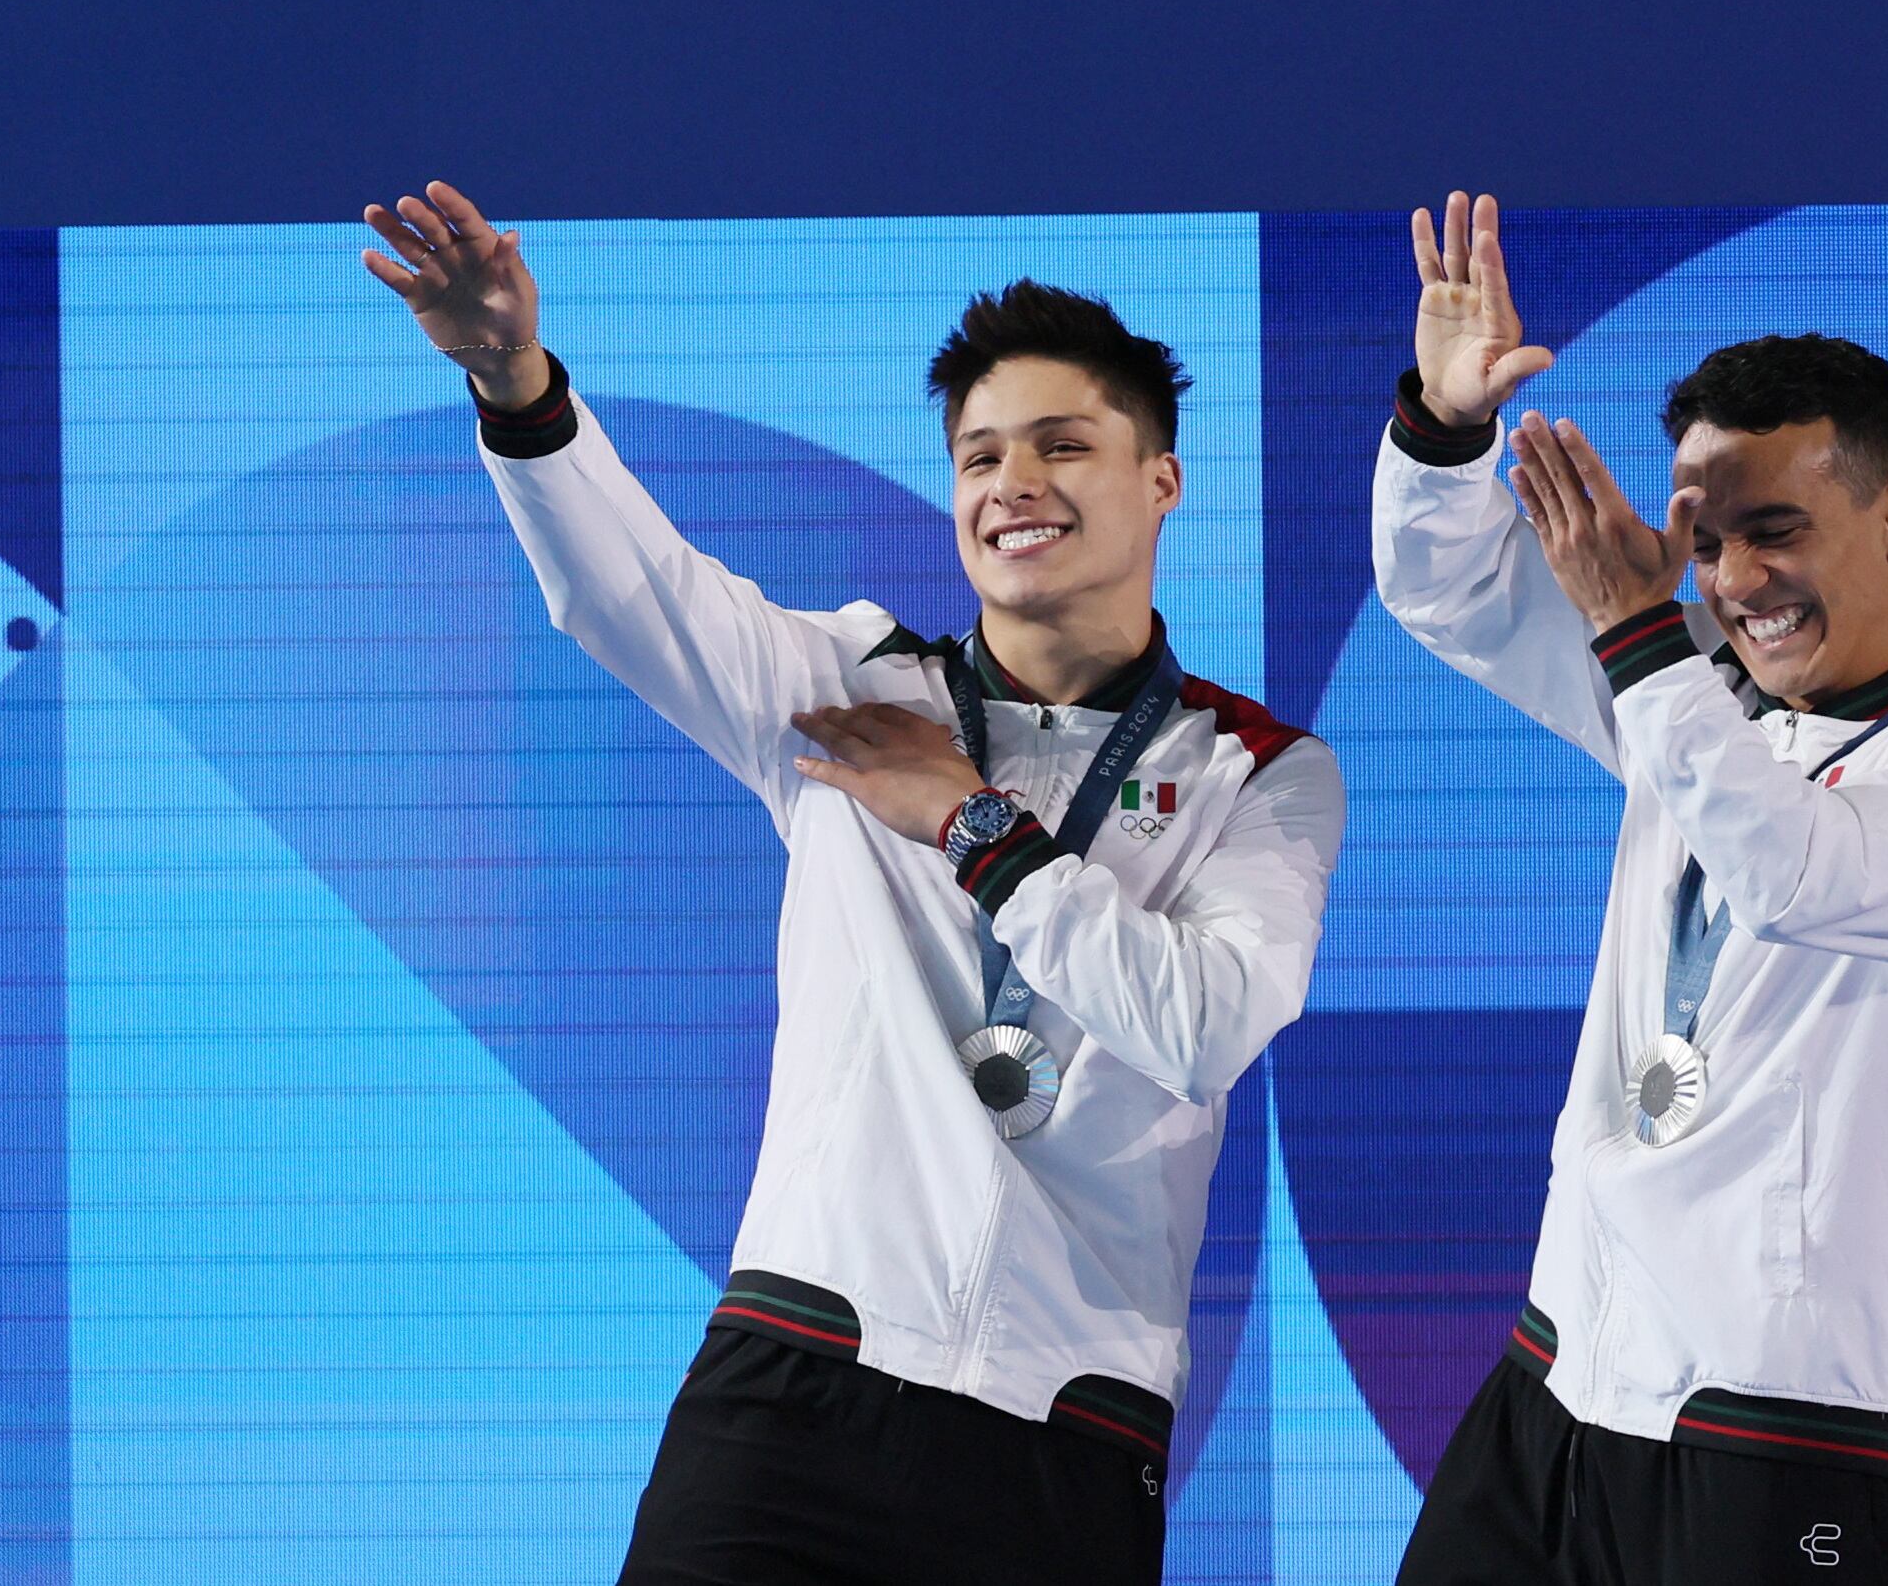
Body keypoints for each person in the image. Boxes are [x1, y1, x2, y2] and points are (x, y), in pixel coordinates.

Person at [359, 181, 1343, 1585]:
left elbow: (1203, 1023)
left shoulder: (1262, 772)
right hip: (800, 1373)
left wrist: (973, 829)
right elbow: (628, 594)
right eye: (979, 455)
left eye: (1063, 445)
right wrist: (513, 382)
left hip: (1061, 1418)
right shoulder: (847, 686)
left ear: (1160, 480)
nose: (1014, 484)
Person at [1375, 192, 1888, 1585]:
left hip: (1777, 1420)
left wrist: (1644, 636)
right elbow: (1448, 596)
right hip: (1561, 1371)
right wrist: (1445, 430)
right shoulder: (1693, 691)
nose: (1733, 580)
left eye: (1772, 531)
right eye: (1701, 542)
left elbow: (1792, 868)